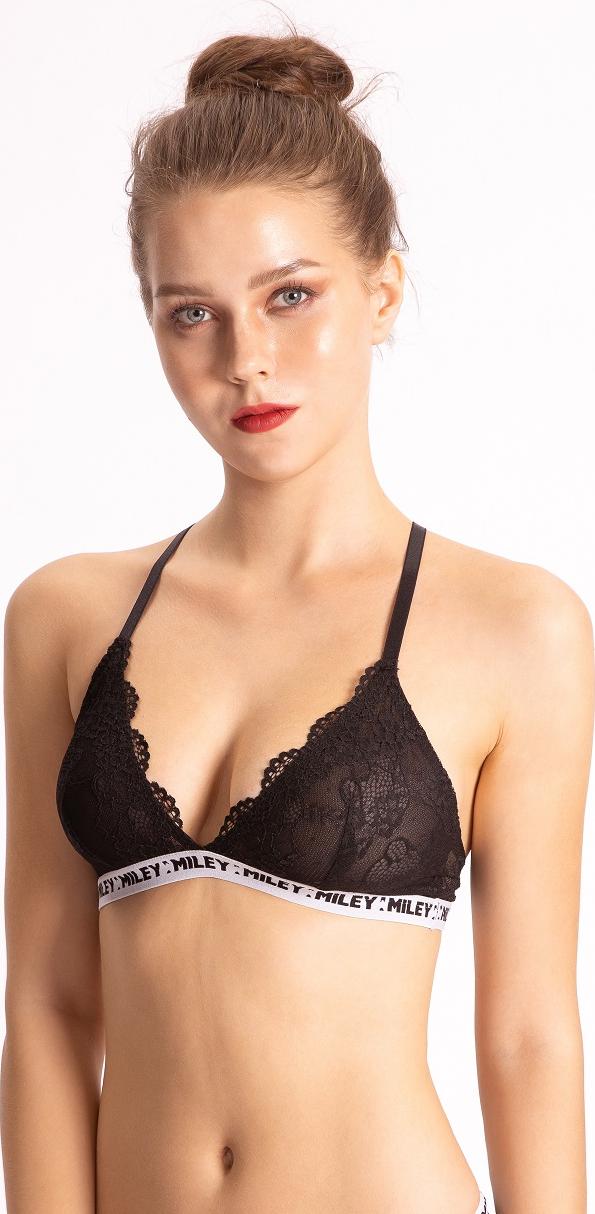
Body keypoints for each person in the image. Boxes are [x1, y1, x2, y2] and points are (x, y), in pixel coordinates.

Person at [1, 18, 592, 1214]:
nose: (247, 359)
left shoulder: (514, 629)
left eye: (290, 295)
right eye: (191, 312)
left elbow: (527, 1033)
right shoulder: (64, 617)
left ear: (381, 292)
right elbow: (49, 1004)